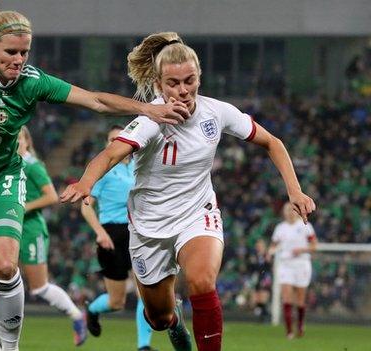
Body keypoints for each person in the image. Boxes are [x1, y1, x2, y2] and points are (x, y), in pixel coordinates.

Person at [0, 3, 190, 350]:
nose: (18, 60)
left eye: (24, 52)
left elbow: (94, 100)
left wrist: (147, 108)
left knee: (5, 265)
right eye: (10, 52)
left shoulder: (32, 82)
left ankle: (11, 348)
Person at [60, 31, 316, 351]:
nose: (183, 90)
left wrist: (295, 191)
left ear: (199, 77)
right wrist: (85, 183)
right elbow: (112, 153)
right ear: (158, 84)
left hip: (197, 213)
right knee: (159, 317)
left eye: (189, 80)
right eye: (173, 83)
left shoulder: (217, 112)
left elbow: (272, 142)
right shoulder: (150, 120)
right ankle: (175, 321)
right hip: (149, 224)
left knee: (202, 281)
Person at [0, 126, 87, 349]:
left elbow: (51, 196)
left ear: (27, 142)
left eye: (19, 139)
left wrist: (21, 206)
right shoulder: (1, 164)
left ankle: (77, 316)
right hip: (2, 228)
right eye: (12, 138)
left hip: (30, 230)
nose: (15, 143)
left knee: (39, 287)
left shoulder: (32, 166)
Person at [80, 125, 158, 351]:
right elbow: (86, 208)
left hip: (138, 232)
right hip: (112, 234)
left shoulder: (138, 166)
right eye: (111, 139)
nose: (115, 142)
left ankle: (144, 345)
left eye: (119, 138)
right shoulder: (102, 171)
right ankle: (93, 310)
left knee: (146, 288)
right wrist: (100, 233)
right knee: (117, 302)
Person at [268, 202, 317, 339]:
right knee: (287, 296)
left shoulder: (305, 226)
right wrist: (270, 252)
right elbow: (273, 245)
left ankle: (300, 325)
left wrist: (302, 249)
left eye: (291, 209)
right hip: (285, 264)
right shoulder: (280, 228)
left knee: (300, 299)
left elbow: (314, 246)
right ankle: (289, 331)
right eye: (287, 210)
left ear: (296, 211)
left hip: (301, 263)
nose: (289, 212)